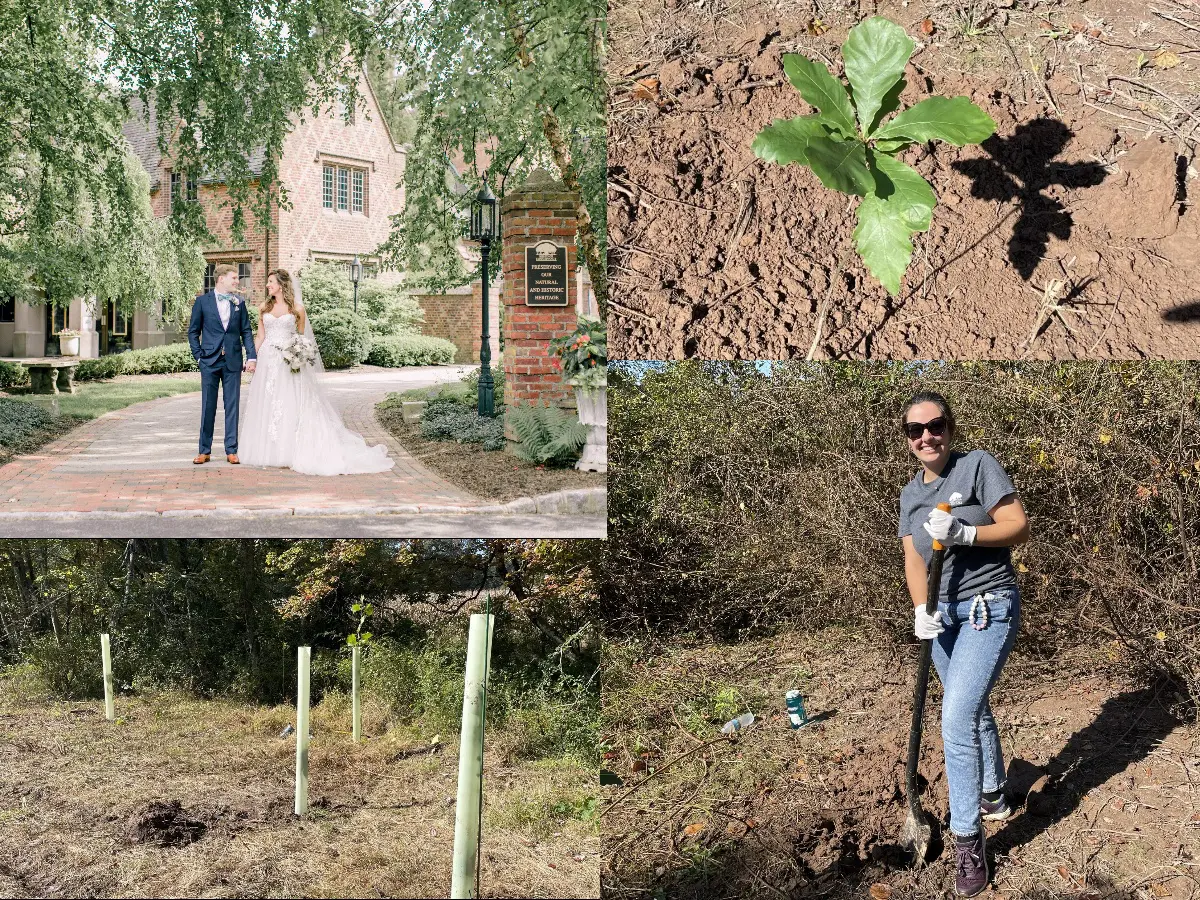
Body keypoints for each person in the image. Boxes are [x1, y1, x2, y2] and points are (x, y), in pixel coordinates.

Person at [897, 391, 1030, 898]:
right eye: (915, 430)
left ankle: (969, 843)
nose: (926, 436)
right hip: (941, 616)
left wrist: (964, 533)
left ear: (950, 429)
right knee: (969, 708)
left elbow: (1018, 527)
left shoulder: (976, 466)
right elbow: (914, 560)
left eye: (935, 426)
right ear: (907, 439)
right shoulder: (910, 495)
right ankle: (994, 793)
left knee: (954, 717)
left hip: (986, 606)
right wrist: (919, 610)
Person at [238, 268, 394, 475]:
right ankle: (267, 451)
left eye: (271, 281)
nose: (268, 285)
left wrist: (297, 355)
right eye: (268, 282)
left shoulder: (298, 309)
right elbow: (260, 336)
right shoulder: (264, 307)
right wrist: (252, 358)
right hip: (267, 360)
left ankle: (288, 451)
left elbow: (301, 338)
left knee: (288, 402)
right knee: (266, 401)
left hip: (287, 361)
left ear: (282, 284)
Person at [187, 264, 257, 464]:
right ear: (221, 279)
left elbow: (246, 332)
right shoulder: (202, 302)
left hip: (232, 361)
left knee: (232, 405)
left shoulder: (239, 303)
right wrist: (199, 357)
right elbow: (193, 332)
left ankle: (231, 450)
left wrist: (251, 356)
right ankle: (204, 450)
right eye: (234, 278)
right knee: (208, 405)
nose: (237, 281)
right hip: (209, 360)